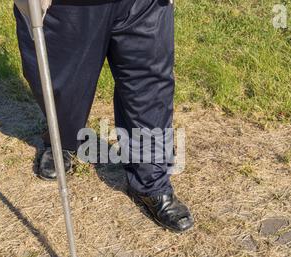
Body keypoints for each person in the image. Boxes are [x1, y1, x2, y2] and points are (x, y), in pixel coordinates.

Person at [14, 0, 194, 232]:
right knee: (60, 82)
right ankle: (62, 140)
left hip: (144, 5)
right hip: (69, 6)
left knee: (149, 87)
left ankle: (151, 181)